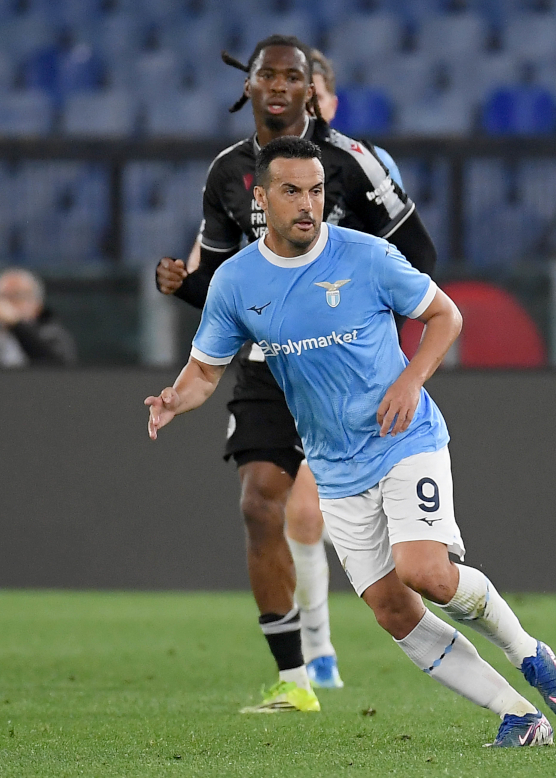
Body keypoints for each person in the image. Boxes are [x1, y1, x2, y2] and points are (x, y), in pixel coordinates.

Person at [145, 136, 556, 747]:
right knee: (392, 610)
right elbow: (206, 370)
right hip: (334, 466)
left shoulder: (367, 255)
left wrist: (409, 381)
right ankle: (519, 715)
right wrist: (174, 398)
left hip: (405, 439)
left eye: (317, 191)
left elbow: (446, 316)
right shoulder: (236, 282)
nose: (307, 204)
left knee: (424, 572)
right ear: (262, 198)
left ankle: (530, 651)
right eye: (292, 191)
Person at [152, 35, 438, 712]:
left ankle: (454, 630)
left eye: (292, 76)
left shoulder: (351, 162)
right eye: (267, 75)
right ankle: (297, 677)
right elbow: (224, 288)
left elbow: (417, 256)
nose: (278, 86)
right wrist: (185, 285)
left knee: (337, 524)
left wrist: (373, 340)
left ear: (311, 89)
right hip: (265, 364)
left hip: (347, 365)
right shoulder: (226, 172)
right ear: (247, 86)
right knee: (261, 504)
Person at [308, 49, 405, 190]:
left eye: (316, 99)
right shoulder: (267, 169)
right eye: (299, 98)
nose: (308, 108)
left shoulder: (374, 166)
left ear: (333, 106)